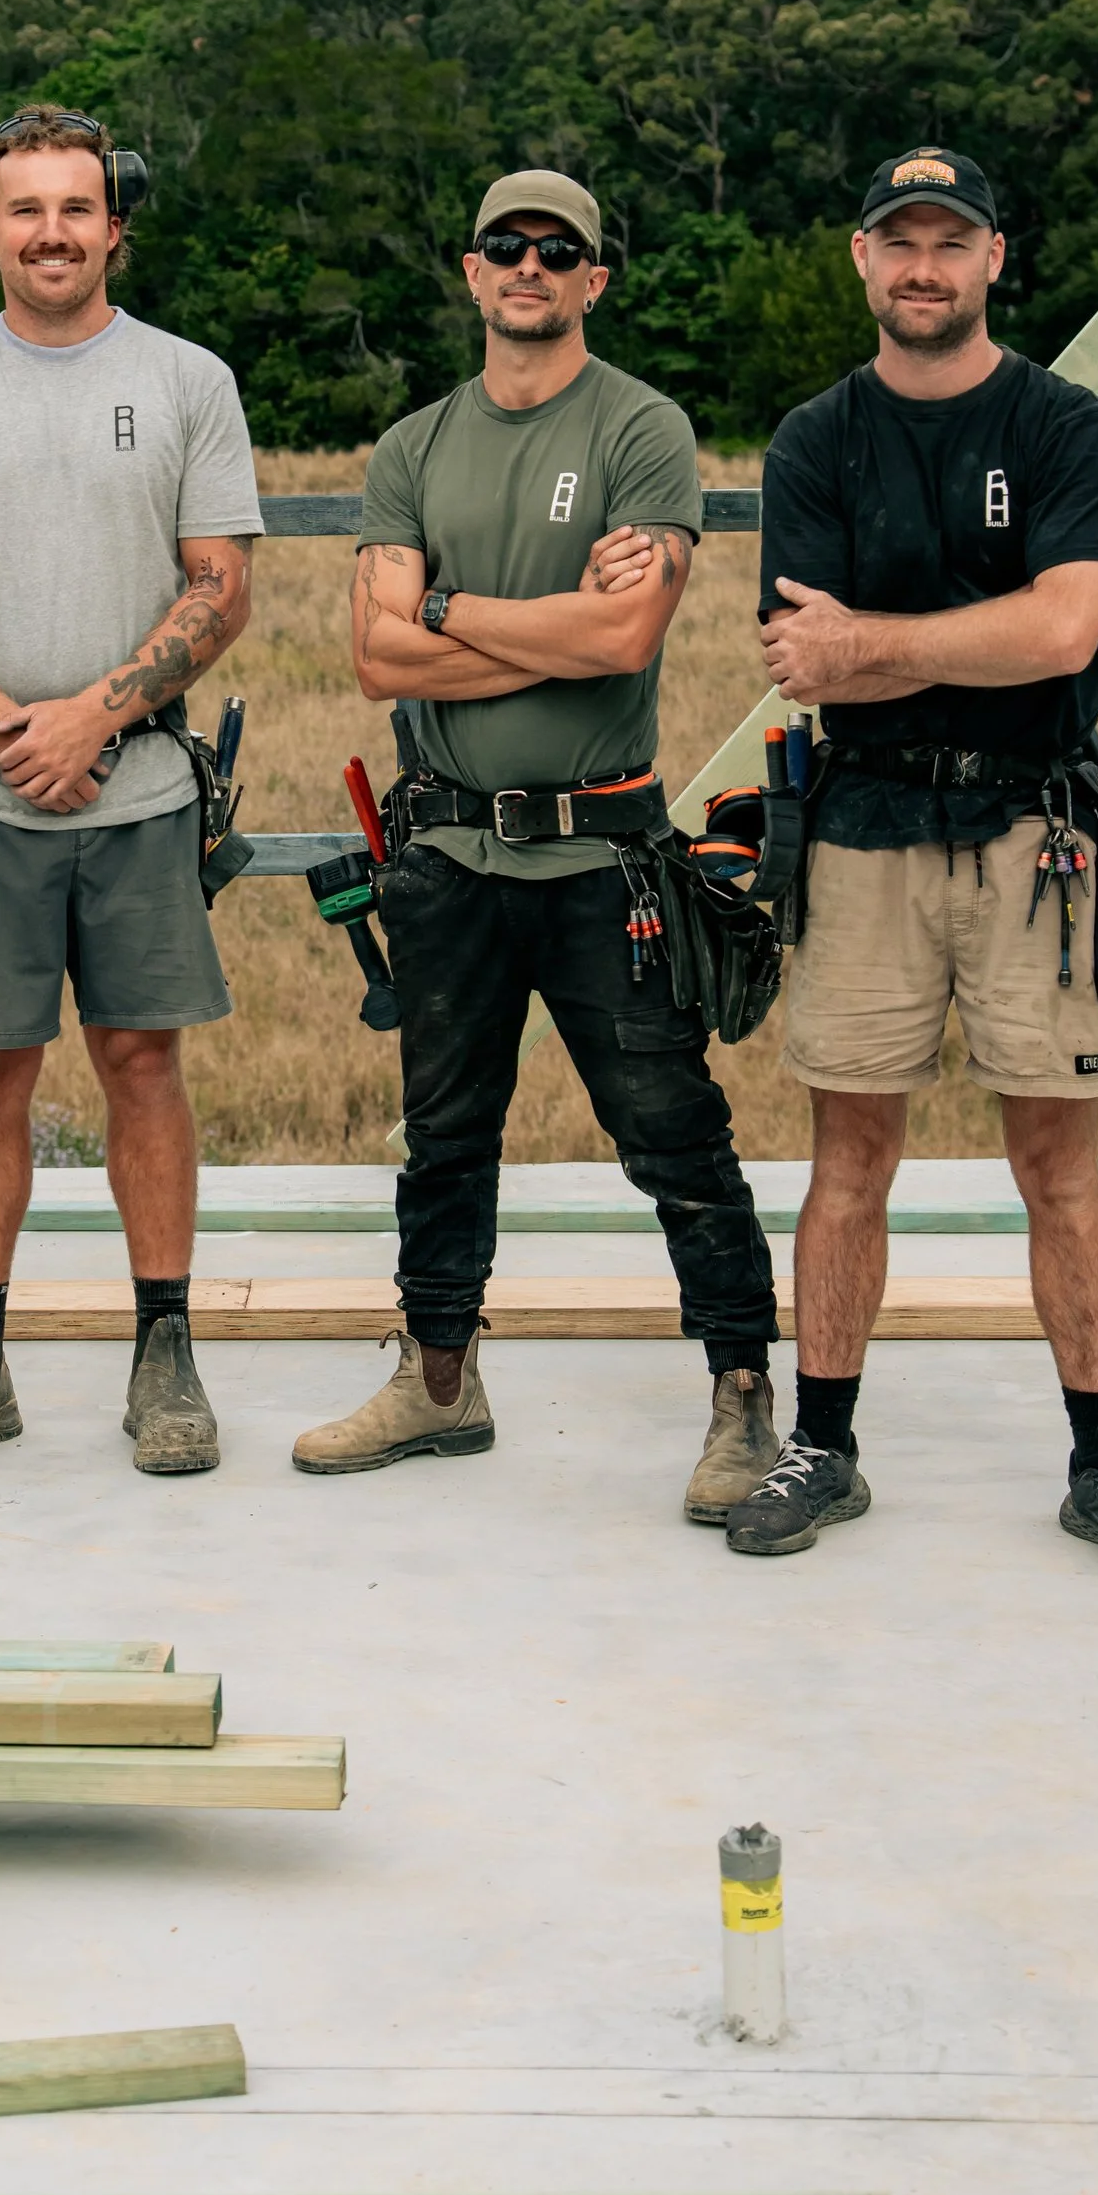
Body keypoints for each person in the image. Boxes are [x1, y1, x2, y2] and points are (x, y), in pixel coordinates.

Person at [722, 142, 1098, 1584]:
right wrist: (897, 653)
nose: (923, 266)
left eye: (951, 242)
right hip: (861, 832)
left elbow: (1061, 635)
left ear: (997, 259)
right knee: (847, 1153)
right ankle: (825, 1445)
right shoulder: (816, 440)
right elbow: (805, 667)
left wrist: (877, 643)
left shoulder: (1066, 426)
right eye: (898, 242)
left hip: (1032, 835)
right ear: (861, 262)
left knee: (1058, 1159)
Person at [292, 170, 778, 1510]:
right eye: (506, 246)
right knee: (444, 1132)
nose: (530, 267)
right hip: (446, 854)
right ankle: (436, 1385)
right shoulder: (413, 447)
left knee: (672, 1133)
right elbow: (375, 662)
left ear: (593, 280)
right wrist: (524, 622)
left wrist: (443, 609)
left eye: (558, 251)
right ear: (470, 271)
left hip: (601, 858)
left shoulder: (641, 429)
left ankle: (743, 1398)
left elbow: (625, 637)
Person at [0, 105, 261, 1482]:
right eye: (25, 210)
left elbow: (220, 584)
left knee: (145, 1066)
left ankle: (165, 1353)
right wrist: (9, 728)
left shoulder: (190, 380)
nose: (51, 232)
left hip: (142, 788)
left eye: (76, 208)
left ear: (115, 224)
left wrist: (99, 712)